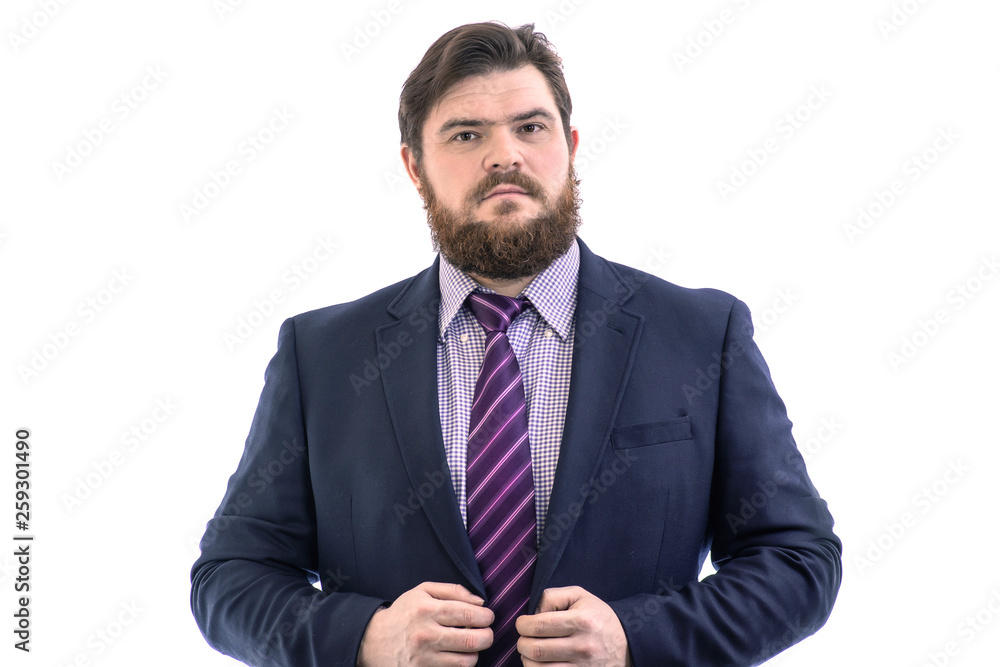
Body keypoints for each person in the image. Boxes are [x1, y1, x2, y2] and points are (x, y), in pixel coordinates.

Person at [191, 21, 842, 667]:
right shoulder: (324, 356)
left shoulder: (701, 336)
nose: (505, 155)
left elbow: (797, 560)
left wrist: (636, 639)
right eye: (467, 134)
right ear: (414, 168)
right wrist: (366, 637)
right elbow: (229, 577)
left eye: (530, 127)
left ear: (571, 146)